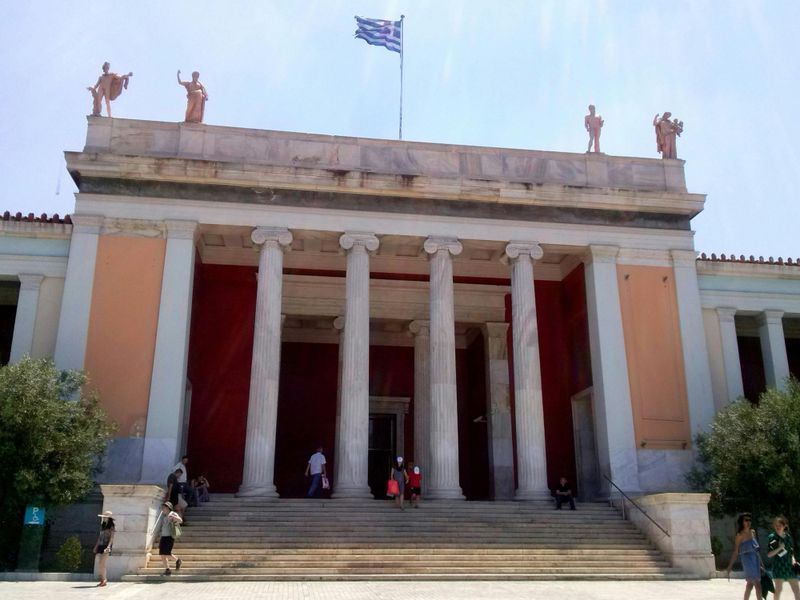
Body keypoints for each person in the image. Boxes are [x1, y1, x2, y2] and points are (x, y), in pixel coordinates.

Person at [726, 513, 764, 600]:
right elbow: (736, 551)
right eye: (746, 520)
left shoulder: (753, 532)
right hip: (747, 561)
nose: (748, 522)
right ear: (742, 522)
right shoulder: (740, 535)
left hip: (755, 560)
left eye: (749, 520)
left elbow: (757, 550)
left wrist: (762, 564)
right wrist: (730, 566)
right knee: (757, 584)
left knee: (750, 585)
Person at [767, 516, 800, 600]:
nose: (778, 527)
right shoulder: (772, 537)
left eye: (780, 526)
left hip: (789, 567)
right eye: (776, 526)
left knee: (796, 590)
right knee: (778, 590)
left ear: (784, 526)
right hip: (779, 568)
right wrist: (779, 548)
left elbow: (791, 552)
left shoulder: (788, 537)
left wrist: (794, 561)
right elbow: (769, 554)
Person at [157, 502, 183, 576]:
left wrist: (174, 518)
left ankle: (178, 560)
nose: (162, 509)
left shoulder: (172, 513)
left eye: (163, 508)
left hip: (169, 537)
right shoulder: (165, 516)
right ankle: (167, 570)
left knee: (166, 553)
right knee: (162, 554)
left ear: (168, 508)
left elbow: (180, 520)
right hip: (164, 536)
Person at [93, 510, 115, 587]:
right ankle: (102, 579)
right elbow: (100, 537)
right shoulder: (103, 526)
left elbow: (111, 538)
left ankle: (104, 579)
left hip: (106, 546)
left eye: (105, 517)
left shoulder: (112, 527)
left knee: (103, 563)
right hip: (101, 545)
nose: (104, 518)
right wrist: (96, 546)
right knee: (100, 563)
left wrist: (108, 546)